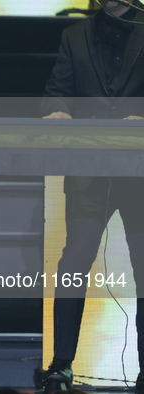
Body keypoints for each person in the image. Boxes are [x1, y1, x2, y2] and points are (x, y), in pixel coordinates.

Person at [37, 0, 144, 392]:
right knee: (74, 260)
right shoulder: (74, 35)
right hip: (88, 168)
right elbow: (56, 92)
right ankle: (61, 365)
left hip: (139, 171)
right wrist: (58, 111)